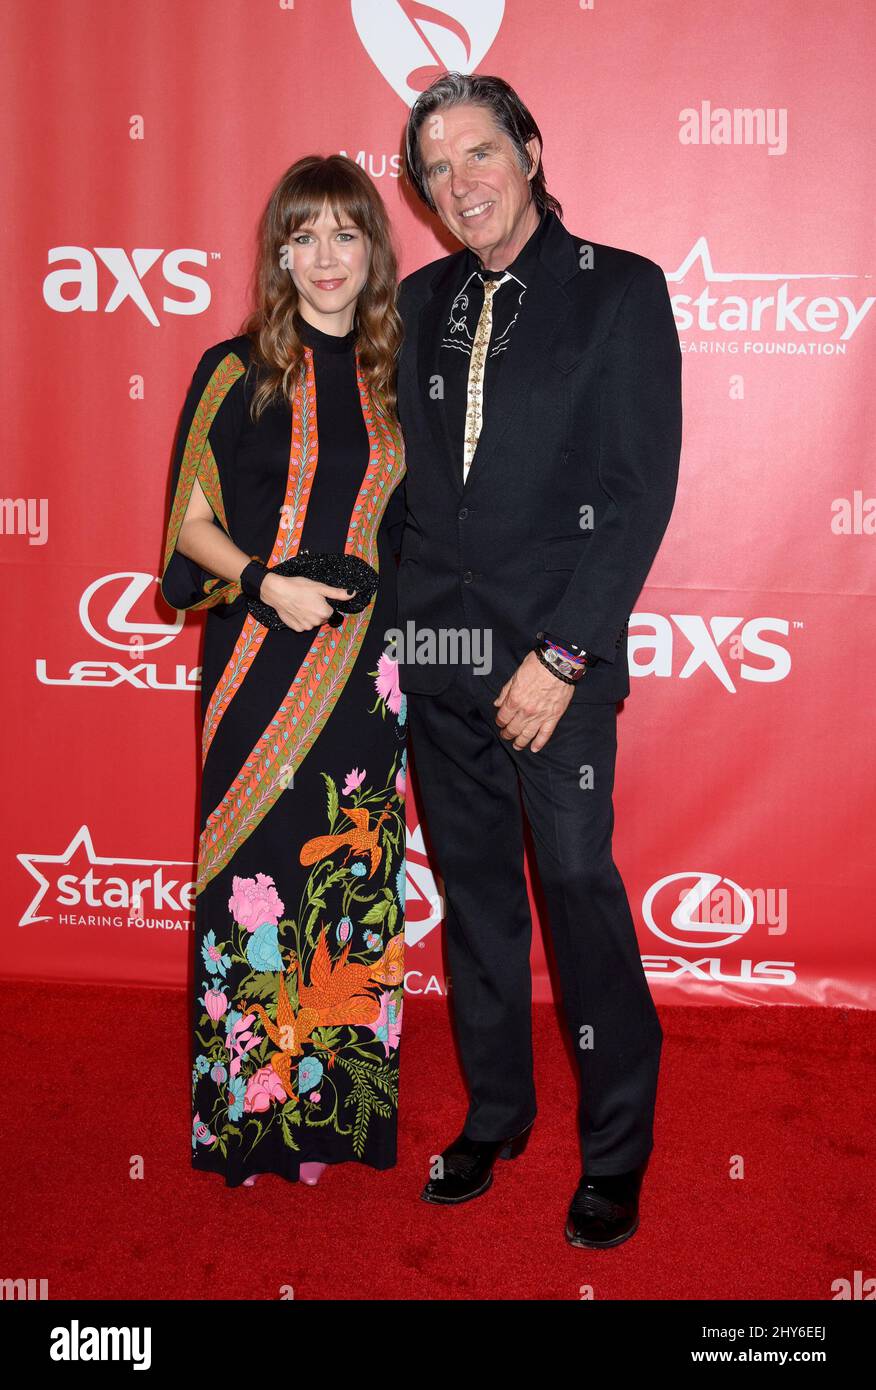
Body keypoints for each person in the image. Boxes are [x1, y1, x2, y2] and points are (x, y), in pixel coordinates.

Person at [393, 73, 682, 1247]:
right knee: (474, 902)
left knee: (575, 890)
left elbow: (633, 497)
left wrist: (561, 656)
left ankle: (616, 1144)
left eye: (478, 152)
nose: (461, 181)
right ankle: (498, 1112)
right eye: (437, 167)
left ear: (529, 149)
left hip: (553, 658)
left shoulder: (617, 291)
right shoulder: (414, 301)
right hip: (436, 646)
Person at [160, 155, 407, 1190]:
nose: (323, 258)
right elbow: (186, 526)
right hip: (261, 662)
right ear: (278, 255)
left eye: (343, 234)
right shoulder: (235, 368)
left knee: (346, 887)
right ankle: (251, 1119)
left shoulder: (401, 380)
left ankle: (336, 1113)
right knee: (254, 886)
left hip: (368, 678)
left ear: (373, 251)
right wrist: (266, 584)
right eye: (301, 237)